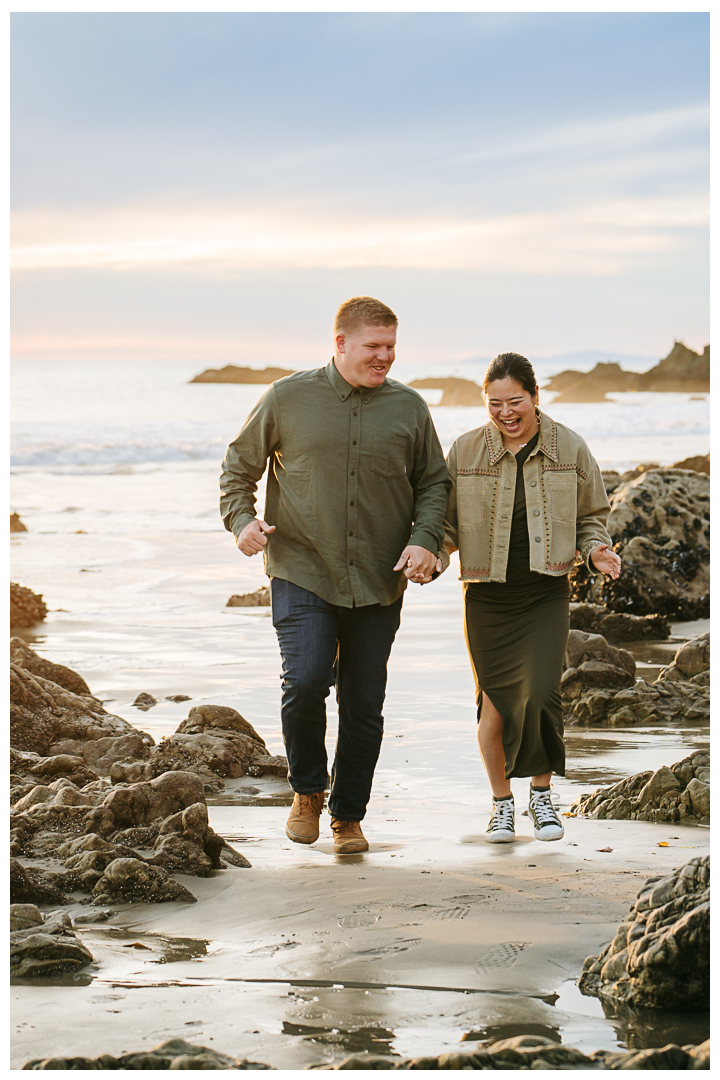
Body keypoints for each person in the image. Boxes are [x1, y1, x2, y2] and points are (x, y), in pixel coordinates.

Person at [219, 296, 450, 854]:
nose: (385, 357)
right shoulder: (286, 397)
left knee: (364, 703)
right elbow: (237, 468)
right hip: (303, 569)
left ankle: (348, 816)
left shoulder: (410, 408)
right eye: (375, 346)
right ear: (341, 343)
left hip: (379, 576)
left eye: (391, 347)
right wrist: (242, 522)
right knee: (303, 683)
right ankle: (306, 792)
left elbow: (435, 485)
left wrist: (424, 542)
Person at [440, 352, 621, 843]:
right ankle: (502, 805)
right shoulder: (465, 451)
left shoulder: (570, 448)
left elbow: (592, 515)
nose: (504, 412)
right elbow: (445, 520)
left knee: (541, 694)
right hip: (486, 595)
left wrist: (596, 551)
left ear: (535, 397)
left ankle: (541, 797)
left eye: (514, 401)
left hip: (544, 592)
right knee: (495, 706)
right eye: (493, 403)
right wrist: (434, 555)